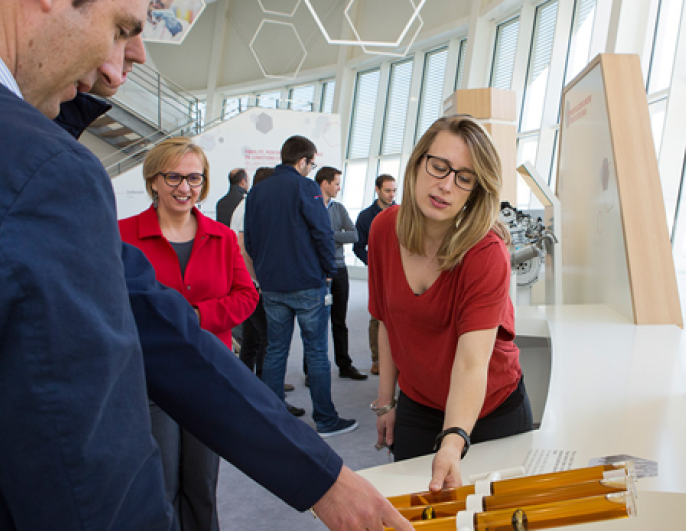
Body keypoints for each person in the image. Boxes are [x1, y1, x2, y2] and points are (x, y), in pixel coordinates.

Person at [0, 1, 411, 529]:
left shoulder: (228, 218)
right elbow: (79, 452)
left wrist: (321, 478)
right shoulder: (46, 168)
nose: (129, 60)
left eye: (194, 178)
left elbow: (180, 318)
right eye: (122, 28)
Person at [370, 115, 533, 492]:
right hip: (418, 403)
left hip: (490, 410)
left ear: (476, 191)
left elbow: (471, 363)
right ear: (417, 163)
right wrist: (386, 403)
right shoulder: (384, 230)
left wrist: (454, 439)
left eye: (464, 178)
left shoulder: (486, 252)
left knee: (492, 513)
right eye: (439, 166)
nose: (445, 185)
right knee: (416, 511)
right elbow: (387, 323)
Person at [119, 138, 259, 531]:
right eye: (174, 177)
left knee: (202, 485)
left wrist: (196, 316)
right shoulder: (123, 235)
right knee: (159, 485)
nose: (185, 188)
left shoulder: (222, 236)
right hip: (150, 376)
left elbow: (247, 296)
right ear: (153, 180)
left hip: (207, 373)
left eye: (194, 178)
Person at [245, 136, 358, 436]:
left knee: (275, 351)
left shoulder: (257, 191)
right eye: (312, 164)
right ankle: (325, 420)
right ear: (302, 161)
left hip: (271, 284)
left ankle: (272, 419)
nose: (311, 169)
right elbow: (322, 232)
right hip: (307, 282)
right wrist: (329, 270)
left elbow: (250, 240)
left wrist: (264, 270)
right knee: (317, 352)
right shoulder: (306, 187)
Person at [315, 166, 367, 381]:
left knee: (340, 321)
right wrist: (335, 236)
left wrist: (327, 235)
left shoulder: (339, 208)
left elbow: (354, 235)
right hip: (317, 271)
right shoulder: (310, 207)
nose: (339, 187)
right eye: (336, 183)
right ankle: (312, 370)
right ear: (324, 183)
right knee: (316, 324)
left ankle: (344, 365)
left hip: (339, 270)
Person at [231, 167, 275, 378]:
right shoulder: (250, 206)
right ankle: (267, 386)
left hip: (247, 281)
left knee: (251, 339)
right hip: (252, 283)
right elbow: (243, 247)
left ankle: (247, 383)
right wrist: (257, 281)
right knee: (268, 338)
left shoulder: (248, 203)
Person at [355, 173, 398, 375]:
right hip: (379, 273)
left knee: (401, 316)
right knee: (377, 316)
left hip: (401, 273)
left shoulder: (402, 214)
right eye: (387, 190)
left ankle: (399, 359)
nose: (391, 195)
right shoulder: (366, 216)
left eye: (394, 191)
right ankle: (377, 359)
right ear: (377, 190)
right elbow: (358, 247)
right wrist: (373, 263)